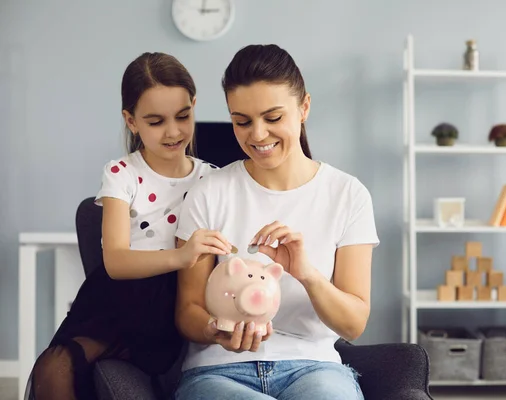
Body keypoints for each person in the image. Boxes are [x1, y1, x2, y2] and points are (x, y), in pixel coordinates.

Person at [174, 44, 379, 400]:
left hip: (315, 368)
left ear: (304, 108)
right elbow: (187, 310)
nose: (256, 135)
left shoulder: (348, 195)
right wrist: (215, 330)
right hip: (218, 372)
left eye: (272, 118)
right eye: (241, 121)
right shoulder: (208, 193)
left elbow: (353, 324)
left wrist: (307, 273)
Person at [29, 52, 233, 400]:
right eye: (155, 122)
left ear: (194, 106)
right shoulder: (122, 174)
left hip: (174, 304)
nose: (173, 131)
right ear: (131, 120)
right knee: (53, 366)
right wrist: (181, 256)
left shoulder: (211, 178)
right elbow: (116, 261)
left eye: (183, 116)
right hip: (118, 298)